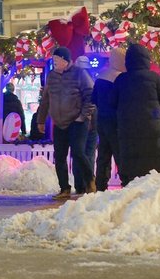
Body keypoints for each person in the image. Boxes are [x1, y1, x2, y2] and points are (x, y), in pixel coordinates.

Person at [109, 43, 160, 186]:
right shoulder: (154, 77)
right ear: (146, 59)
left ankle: (129, 184)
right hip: (152, 127)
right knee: (153, 158)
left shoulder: (121, 79)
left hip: (128, 127)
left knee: (130, 158)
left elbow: (112, 102)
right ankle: (154, 186)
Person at [37, 46, 95, 199]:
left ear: (65, 60)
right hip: (59, 123)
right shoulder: (51, 76)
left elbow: (90, 95)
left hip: (77, 121)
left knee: (78, 152)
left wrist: (83, 116)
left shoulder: (79, 74)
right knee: (60, 156)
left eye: (57, 60)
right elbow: (46, 99)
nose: (54, 63)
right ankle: (64, 188)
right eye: (53, 60)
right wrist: (41, 120)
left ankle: (90, 181)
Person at [92, 47, 126, 190]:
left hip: (102, 121)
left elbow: (93, 99)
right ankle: (126, 182)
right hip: (117, 122)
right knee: (120, 155)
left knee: (103, 156)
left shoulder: (101, 77)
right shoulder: (122, 79)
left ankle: (100, 186)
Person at [73, 55, 98, 194]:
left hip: (81, 121)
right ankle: (88, 183)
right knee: (87, 153)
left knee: (79, 153)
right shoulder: (92, 80)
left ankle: (81, 184)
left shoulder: (76, 80)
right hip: (90, 120)